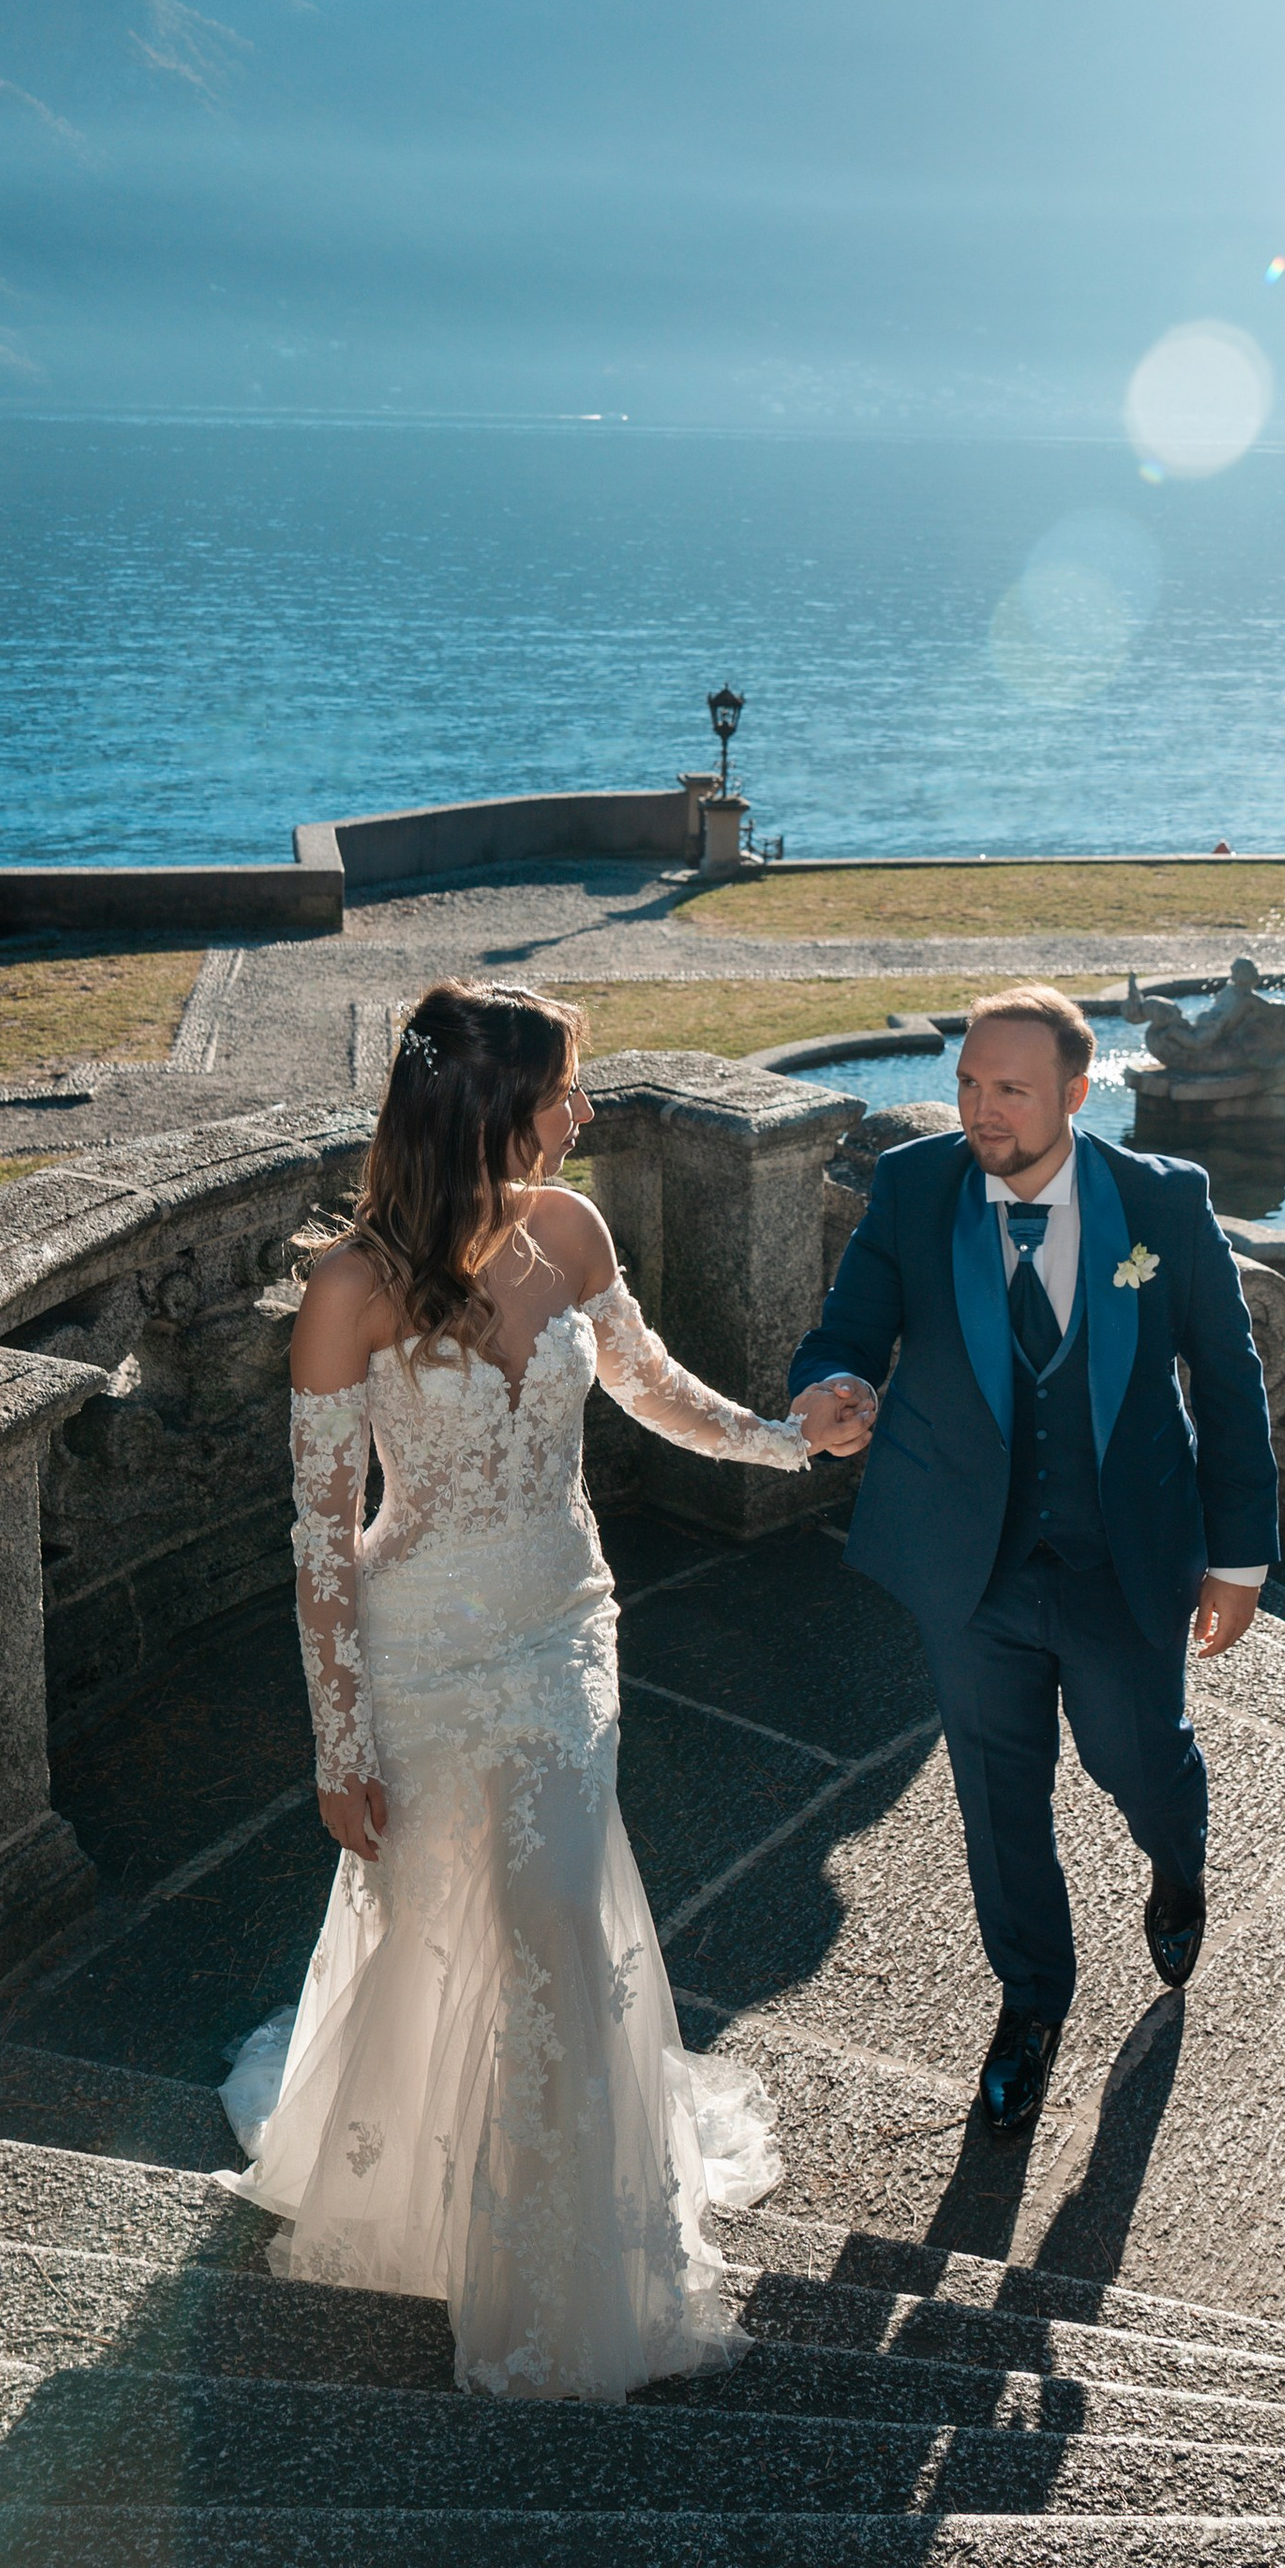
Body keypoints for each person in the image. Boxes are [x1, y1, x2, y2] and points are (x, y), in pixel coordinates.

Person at [218, 979, 868, 2400]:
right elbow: (322, 1535)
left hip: (566, 1625)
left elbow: (646, 1387)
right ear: (489, 1106)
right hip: (424, 1648)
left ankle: (566, 2268)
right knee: (444, 1912)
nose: (586, 1112)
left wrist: (783, 1440)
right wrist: (342, 1749)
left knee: (558, 1909)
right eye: (568, 1088)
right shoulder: (352, 1291)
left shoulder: (571, 1229)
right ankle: (418, 2188)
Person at [789, 983, 1280, 2139]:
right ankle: (1030, 2005)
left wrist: (1240, 1558)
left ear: (1074, 1090)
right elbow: (845, 1329)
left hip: (1127, 1560)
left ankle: (1177, 1854)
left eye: (1008, 1088)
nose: (980, 1109)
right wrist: (829, 1387)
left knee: (1137, 1763)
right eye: (967, 1083)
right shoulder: (914, 1189)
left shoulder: (1163, 1200)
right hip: (970, 1569)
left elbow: (1227, 1374)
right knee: (997, 1801)